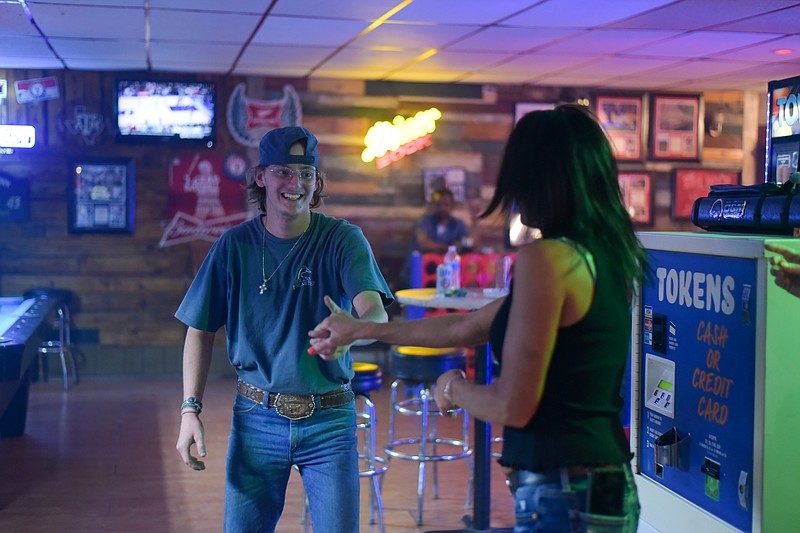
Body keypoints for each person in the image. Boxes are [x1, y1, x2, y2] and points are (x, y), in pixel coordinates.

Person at [310, 105, 646, 532]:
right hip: (599, 480)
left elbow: (513, 405)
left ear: (543, 181)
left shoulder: (549, 258)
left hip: (565, 488)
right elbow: (464, 325)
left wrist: (454, 387)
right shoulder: (603, 255)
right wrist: (364, 329)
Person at [175, 126, 393, 533]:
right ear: (261, 176)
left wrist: (355, 327)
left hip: (329, 420)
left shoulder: (343, 239)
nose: (296, 184)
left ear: (317, 181)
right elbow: (199, 330)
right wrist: (190, 409)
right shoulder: (234, 246)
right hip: (257, 417)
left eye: (306, 174)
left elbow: (375, 314)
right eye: (284, 172)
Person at [412, 187, 470, 253]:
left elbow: (465, 244)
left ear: (452, 206)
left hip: (449, 262)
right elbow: (424, 244)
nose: (442, 208)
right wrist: (449, 247)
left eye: (446, 205)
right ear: (433, 205)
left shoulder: (459, 225)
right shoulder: (423, 222)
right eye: (438, 205)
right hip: (422, 262)